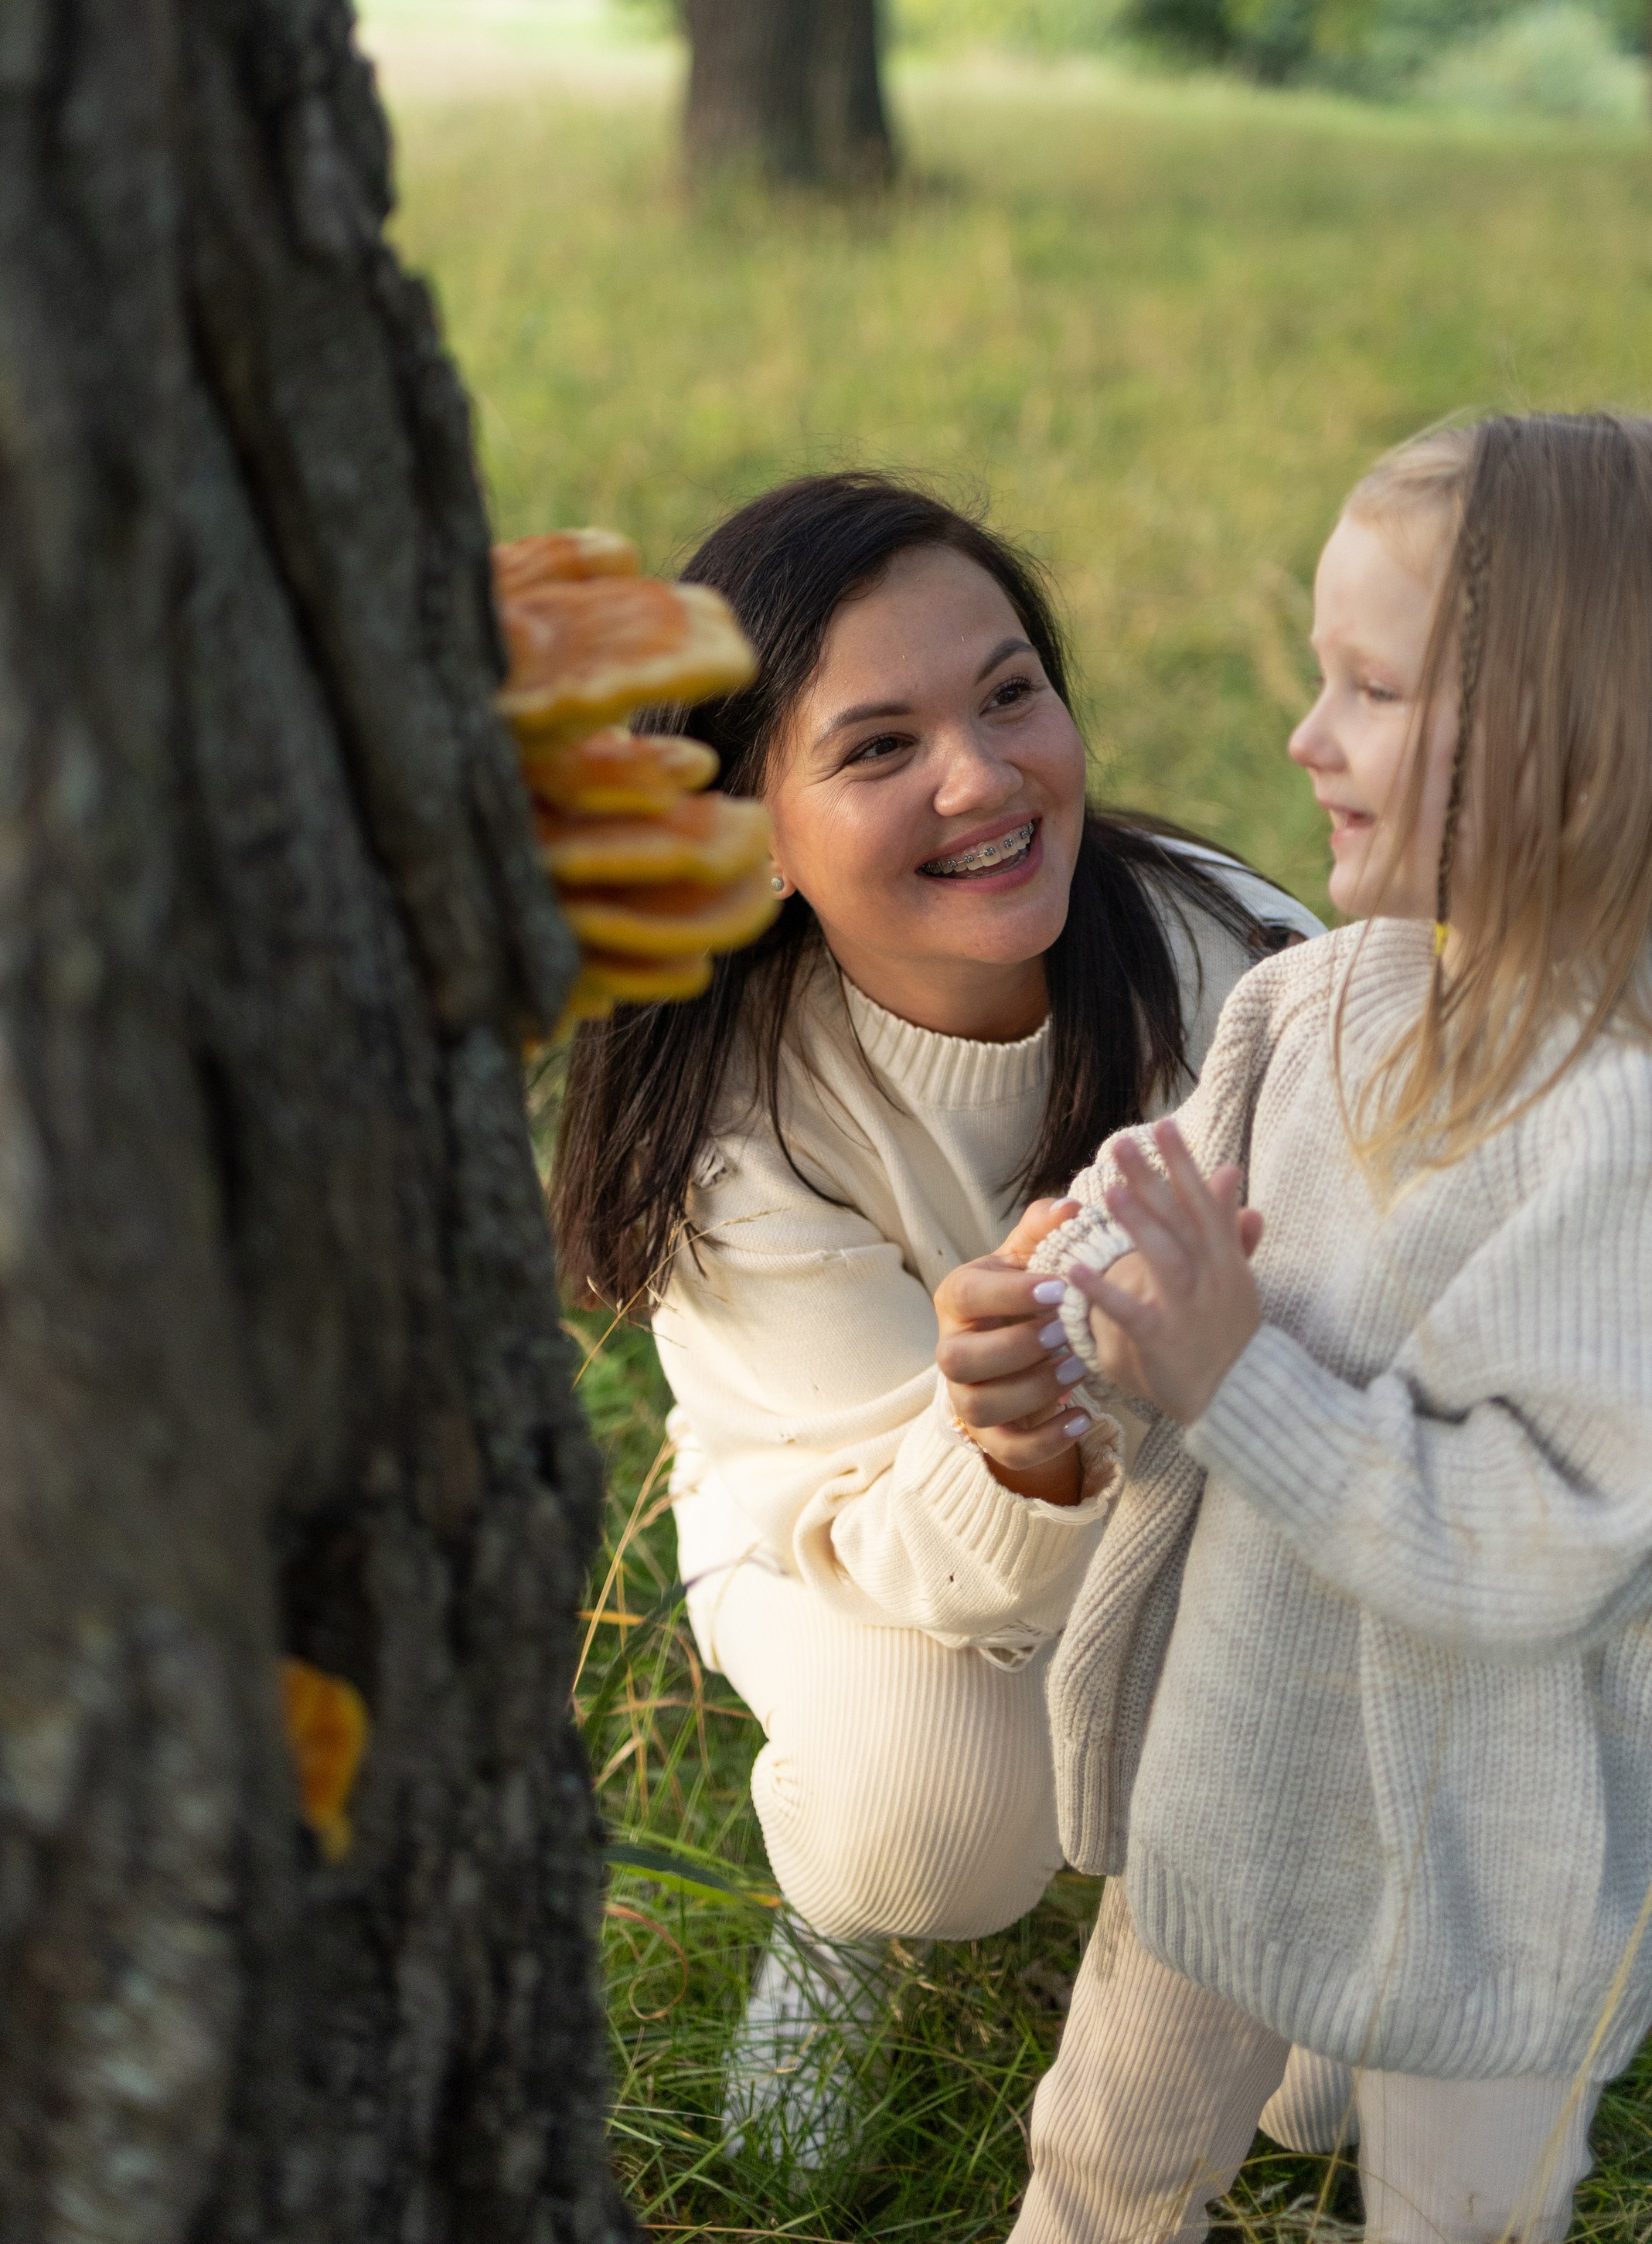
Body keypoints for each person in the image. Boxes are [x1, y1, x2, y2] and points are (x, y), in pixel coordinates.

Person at [1006, 414, 1652, 2244]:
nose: (1303, 738)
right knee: (1111, 2136)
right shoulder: (1316, 1001)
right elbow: (1191, 1276)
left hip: (1489, 1822)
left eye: (1365, 689)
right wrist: (1087, 1303)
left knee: (1458, 2200)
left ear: (1569, 749)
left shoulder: (1630, 1121)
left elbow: (1557, 1534)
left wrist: (1235, 1380)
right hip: (1251, 1725)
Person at [547, 472, 1326, 2167]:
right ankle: (836, 1923)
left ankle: (1171, 1829)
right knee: (936, 1824)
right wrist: (1015, 1443)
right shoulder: (722, 1118)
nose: (980, 778)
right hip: (852, 1530)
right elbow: (918, 1561)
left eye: (1006, 694)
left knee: (1317, 2101)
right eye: (876, 745)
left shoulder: (1239, 965)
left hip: (1215, 1503)